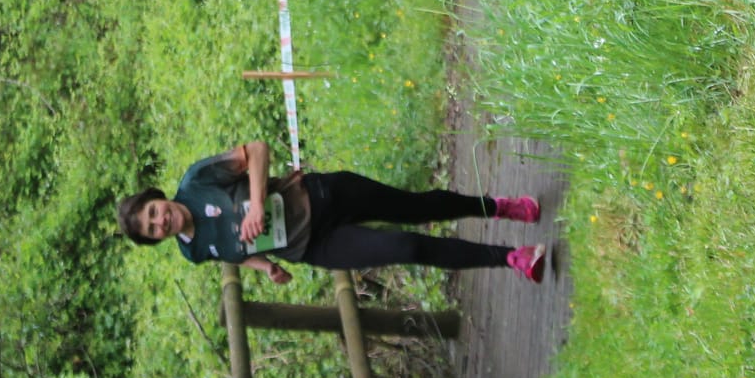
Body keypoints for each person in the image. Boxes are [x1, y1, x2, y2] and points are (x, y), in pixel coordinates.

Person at [116, 139, 548, 283]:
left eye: (154, 212)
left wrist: (258, 202)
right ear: (157, 239)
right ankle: (510, 259)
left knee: (414, 208)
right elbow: (234, 252)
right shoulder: (192, 253)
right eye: (153, 229)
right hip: (314, 245)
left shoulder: (196, 181)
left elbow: (258, 151)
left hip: (321, 195)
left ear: (158, 198)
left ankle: (495, 207)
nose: (161, 220)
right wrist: (265, 268)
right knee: (406, 246)